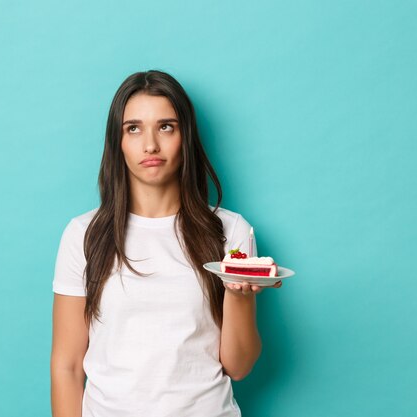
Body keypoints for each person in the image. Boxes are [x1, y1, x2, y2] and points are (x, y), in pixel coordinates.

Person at [51, 70, 281, 417]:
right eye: (134, 128)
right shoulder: (84, 233)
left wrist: (237, 294)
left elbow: (239, 366)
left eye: (166, 126)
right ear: (118, 141)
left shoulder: (230, 232)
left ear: (185, 136)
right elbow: (67, 365)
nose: (150, 145)